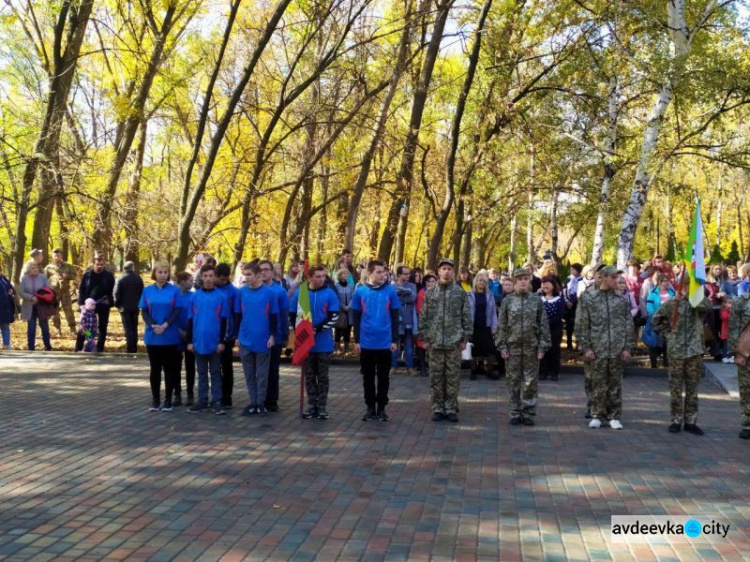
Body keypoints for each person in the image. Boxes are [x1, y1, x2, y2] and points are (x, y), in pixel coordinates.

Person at [576, 266, 633, 430]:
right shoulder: (588, 297)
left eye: (617, 278)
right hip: (596, 349)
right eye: (613, 278)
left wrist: (627, 347)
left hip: (616, 349)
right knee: (597, 383)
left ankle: (614, 416)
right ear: (602, 277)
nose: (617, 281)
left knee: (615, 383)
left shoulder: (620, 299)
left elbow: (628, 324)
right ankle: (597, 414)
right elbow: (581, 324)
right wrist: (586, 347)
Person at [652, 287, 711, 435]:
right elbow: (655, 320)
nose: (689, 289)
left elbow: (708, 307)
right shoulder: (672, 303)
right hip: (676, 351)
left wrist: (694, 298)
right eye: (686, 286)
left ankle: (690, 421)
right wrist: (668, 336)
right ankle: (676, 419)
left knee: (693, 388)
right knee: (676, 387)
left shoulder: (698, 303)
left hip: (694, 350)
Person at [419, 259, 472, 423]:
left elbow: (466, 317)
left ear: (453, 272)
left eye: (449, 269)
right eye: (444, 269)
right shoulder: (430, 293)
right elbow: (424, 317)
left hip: (453, 342)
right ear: (438, 272)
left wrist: (465, 338)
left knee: (452, 377)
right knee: (436, 377)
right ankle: (438, 407)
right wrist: (424, 338)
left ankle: (450, 408)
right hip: (434, 342)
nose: (447, 272)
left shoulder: (460, 293)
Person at [496, 268, 551, 425]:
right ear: (514, 282)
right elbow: (502, 326)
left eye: (526, 279)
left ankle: (528, 412)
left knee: (530, 382)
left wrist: (542, 347)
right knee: (513, 381)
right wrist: (502, 346)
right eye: (519, 279)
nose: (522, 281)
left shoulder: (536, 301)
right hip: (512, 348)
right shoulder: (507, 301)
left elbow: (543, 325)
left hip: (531, 348)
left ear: (529, 281)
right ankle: (515, 411)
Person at [352, 260, 401, 422]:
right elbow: (356, 318)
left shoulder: (390, 291)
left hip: (385, 342)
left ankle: (381, 408)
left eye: (384, 272)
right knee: (367, 377)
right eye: (379, 272)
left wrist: (394, 340)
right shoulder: (360, 292)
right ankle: (370, 408)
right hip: (366, 342)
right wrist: (357, 340)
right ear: (370, 273)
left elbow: (395, 317)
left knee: (383, 377)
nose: (383, 275)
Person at [291, 265, 339, 419]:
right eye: (318, 276)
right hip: (306, 344)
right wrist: (302, 332)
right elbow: (293, 315)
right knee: (309, 376)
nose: (321, 279)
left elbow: (333, 317)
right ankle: (312, 405)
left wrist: (316, 329)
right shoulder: (300, 294)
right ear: (309, 277)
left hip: (323, 344)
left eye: (323, 276)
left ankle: (322, 406)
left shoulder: (330, 293)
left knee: (323, 376)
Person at [235, 262, 279, 417]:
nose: (246, 278)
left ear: (258, 275)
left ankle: (260, 403)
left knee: (262, 374)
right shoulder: (241, 292)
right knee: (249, 374)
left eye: (249, 275)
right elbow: (238, 315)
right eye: (244, 274)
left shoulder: (270, 293)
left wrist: (272, 335)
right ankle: (252, 402)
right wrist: (237, 336)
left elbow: (274, 316)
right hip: (245, 338)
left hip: (263, 339)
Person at [187, 264, 230, 415]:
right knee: (202, 372)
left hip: (214, 343)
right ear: (201, 278)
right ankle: (202, 400)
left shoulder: (221, 297)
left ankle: (217, 401)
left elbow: (225, 321)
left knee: (216, 372)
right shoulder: (194, 297)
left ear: (215, 277)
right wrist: (190, 341)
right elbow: (190, 321)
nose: (208, 279)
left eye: (211, 276)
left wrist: (221, 341)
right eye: (205, 276)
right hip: (199, 342)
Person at [139, 261, 182, 411]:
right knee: (155, 369)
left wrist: (165, 325)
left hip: (169, 335)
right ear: (154, 273)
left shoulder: (175, 290)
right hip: (153, 336)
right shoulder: (147, 290)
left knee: (169, 369)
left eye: (165, 272)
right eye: (160, 272)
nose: (163, 275)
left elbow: (177, 311)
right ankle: (155, 399)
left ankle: (168, 400)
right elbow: (144, 311)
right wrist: (152, 324)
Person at [259, 259, 289, 412]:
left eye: (266, 269)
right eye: (261, 270)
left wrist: (284, 336)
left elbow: (284, 314)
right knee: (259, 370)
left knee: (272, 369)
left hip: (275, 336)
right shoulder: (253, 289)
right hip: (258, 336)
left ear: (272, 272)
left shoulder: (280, 291)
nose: (263, 272)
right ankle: (259, 398)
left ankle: (271, 400)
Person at [76, 255, 115, 352]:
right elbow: (81, 290)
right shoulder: (87, 275)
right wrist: (82, 303)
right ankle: (79, 347)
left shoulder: (109, 276)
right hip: (88, 305)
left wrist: (110, 301)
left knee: (102, 327)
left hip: (103, 304)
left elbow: (113, 291)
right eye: (97, 264)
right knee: (84, 326)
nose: (99, 266)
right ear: (93, 264)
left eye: (101, 264)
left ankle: (99, 348)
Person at [215, 263, 240, 409]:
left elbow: (236, 313)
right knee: (214, 367)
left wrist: (235, 333)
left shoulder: (233, 292)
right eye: (220, 279)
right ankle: (217, 394)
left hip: (227, 335)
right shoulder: (212, 289)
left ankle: (227, 395)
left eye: (225, 279)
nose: (222, 282)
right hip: (212, 333)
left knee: (226, 366)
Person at [467, 271, 498, 380]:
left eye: (484, 281)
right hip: (473, 327)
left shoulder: (490, 295)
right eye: (480, 280)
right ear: (476, 281)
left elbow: (494, 312)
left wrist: (494, 327)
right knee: (474, 351)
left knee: (489, 351)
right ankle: (473, 371)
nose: (482, 283)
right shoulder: (469, 295)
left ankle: (489, 370)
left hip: (486, 327)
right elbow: (465, 313)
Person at [728, 287, 750, 439]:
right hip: (746, 353)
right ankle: (747, 424)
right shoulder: (742, 301)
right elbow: (734, 328)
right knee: (746, 389)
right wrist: (736, 353)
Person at [539, 276, 567, 382]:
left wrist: (546, 324)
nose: (545, 285)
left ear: (553, 286)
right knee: (542, 350)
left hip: (555, 329)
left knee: (554, 351)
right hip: (541, 330)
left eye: (547, 283)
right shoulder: (539, 299)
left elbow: (559, 315)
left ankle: (554, 372)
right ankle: (542, 372)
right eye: (543, 283)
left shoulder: (559, 300)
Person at [391, 265, 418, 376]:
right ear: (398, 275)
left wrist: (401, 296)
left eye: (408, 273)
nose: (408, 276)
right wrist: (404, 295)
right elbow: (392, 300)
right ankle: (393, 366)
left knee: (409, 345)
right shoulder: (391, 287)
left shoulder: (412, 286)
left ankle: (409, 367)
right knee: (394, 345)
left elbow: (412, 298)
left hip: (408, 319)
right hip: (395, 320)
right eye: (405, 274)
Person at [19, 261, 52, 351]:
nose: (35, 269)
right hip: (29, 305)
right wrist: (31, 297)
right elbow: (21, 292)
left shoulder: (43, 277)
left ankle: (47, 345)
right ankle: (31, 347)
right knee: (31, 325)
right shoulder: (24, 279)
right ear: (28, 269)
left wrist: (39, 297)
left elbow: (48, 289)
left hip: (41, 305)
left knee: (44, 324)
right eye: (33, 268)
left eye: (36, 267)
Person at [44, 248, 77, 335]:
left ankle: (72, 328)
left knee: (68, 310)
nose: (57, 257)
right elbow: (44, 279)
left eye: (58, 255)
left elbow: (74, 275)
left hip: (65, 291)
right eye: (55, 255)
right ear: (53, 256)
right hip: (54, 292)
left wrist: (67, 276)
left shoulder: (68, 266)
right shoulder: (48, 267)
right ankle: (57, 329)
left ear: (61, 256)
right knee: (54, 311)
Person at [114, 261, 144, 353]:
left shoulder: (120, 279)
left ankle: (130, 348)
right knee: (134, 327)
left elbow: (116, 293)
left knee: (127, 328)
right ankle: (134, 347)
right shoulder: (138, 278)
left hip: (124, 307)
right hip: (135, 306)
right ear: (132, 268)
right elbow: (142, 292)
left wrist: (117, 304)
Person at [645, 274, 675, 368]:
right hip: (656, 322)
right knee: (653, 343)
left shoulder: (672, 293)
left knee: (668, 343)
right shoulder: (652, 293)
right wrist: (657, 317)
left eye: (668, 281)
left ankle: (667, 364)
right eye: (664, 281)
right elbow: (649, 307)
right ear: (659, 282)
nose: (667, 283)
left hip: (668, 323)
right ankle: (654, 365)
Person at [175, 272, 195, 406]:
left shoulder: (193, 296)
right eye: (190, 280)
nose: (192, 282)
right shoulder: (174, 296)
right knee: (175, 366)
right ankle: (177, 393)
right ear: (182, 282)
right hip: (175, 334)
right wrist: (179, 331)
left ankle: (190, 393)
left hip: (190, 335)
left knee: (190, 365)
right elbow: (170, 315)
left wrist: (189, 332)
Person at [415, 274, 436, 377]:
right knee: (422, 346)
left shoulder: (438, 292)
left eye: (434, 281)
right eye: (431, 281)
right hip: (424, 322)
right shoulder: (422, 293)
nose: (433, 283)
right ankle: (422, 368)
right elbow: (420, 309)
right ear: (426, 282)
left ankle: (433, 369)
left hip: (435, 323)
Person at [334, 268, 355, 353]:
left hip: (349, 310)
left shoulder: (350, 286)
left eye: (347, 274)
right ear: (340, 275)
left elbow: (353, 297)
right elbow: (336, 298)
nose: (346, 275)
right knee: (338, 329)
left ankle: (346, 346)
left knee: (348, 329)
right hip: (340, 310)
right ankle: (337, 346)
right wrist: (343, 306)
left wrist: (349, 306)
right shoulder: (336, 286)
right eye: (344, 274)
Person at [563, 263, 582, 350]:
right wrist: (567, 301)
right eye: (571, 269)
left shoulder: (581, 280)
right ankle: (569, 343)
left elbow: (579, 292)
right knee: (568, 325)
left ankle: (578, 343)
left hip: (577, 305)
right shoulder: (567, 279)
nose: (571, 271)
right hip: (568, 306)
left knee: (577, 324)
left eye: (573, 269)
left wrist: (573, 301)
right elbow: (564, 290)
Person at [0, 266, 15, 349]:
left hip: (6, 308)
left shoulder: (4, 279)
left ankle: (7, 344)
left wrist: (11, 290)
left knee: (5, 327)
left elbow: (11, 287)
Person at [720, 297, 733, 363]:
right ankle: (725, 357)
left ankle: (730, 357)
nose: (729, 305)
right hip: (726, 332)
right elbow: (725, 318)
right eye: (728, 303)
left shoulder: (733, 311)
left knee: (731, 346)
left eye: (731, 303)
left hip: (731, 332)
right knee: (726, 345)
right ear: (724, 304)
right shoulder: (724, 311)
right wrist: (729, 311)